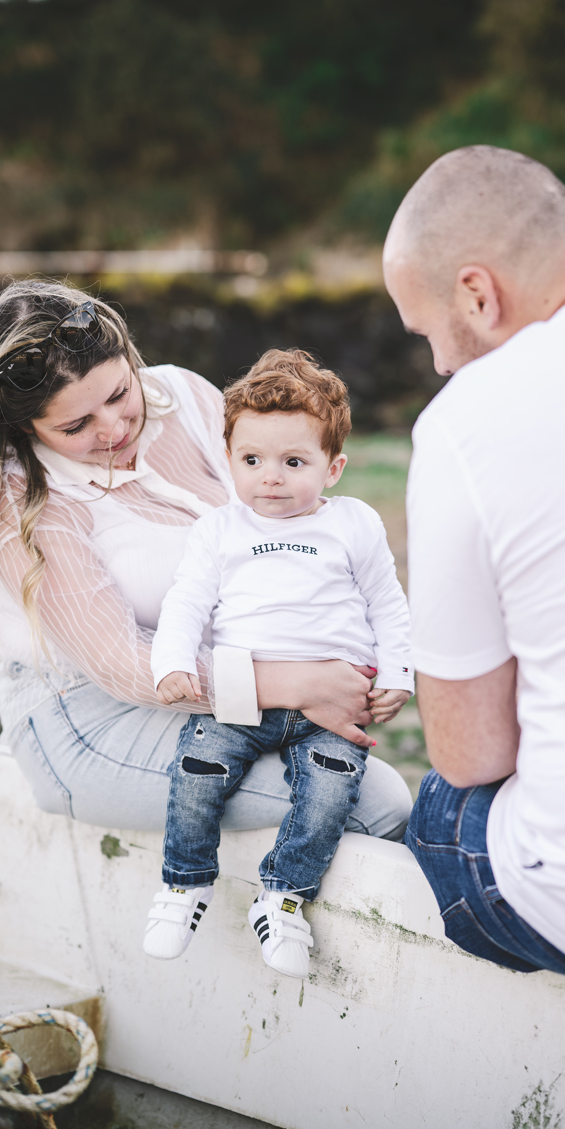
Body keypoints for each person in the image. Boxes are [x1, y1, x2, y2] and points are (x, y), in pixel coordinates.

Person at [0, 280, 412, 853]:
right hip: (92, 717)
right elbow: (122, 665)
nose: (113, 429)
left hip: (234, 691)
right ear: (24, 427)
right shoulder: (20, 500)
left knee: (356, 780)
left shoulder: (183, 395)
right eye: (75, 426)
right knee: (373, 802)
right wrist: (298, 685)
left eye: (119, 394)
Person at [384, 144, 565, 999]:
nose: (440, 364)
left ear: (479, 293)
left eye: (430, 331)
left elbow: (473, 754)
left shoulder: (466, 422)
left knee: (442, 812)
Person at [145, 350, 413, 977]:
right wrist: (172, 661)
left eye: (294, 462)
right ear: (230, 459)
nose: (271, 477)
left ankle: (283, 899)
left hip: (331, 710)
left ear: (332, 467)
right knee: (197, 773)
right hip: (245, 698)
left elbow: (388, 603)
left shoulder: (354, 523)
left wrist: (399, 673)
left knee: (329, 794)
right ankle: (185, 884)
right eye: (252, 460)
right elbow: (186, 601)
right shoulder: (219, 529)